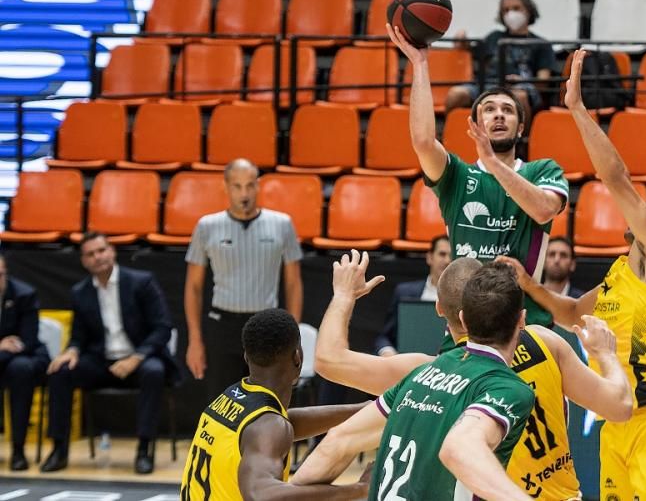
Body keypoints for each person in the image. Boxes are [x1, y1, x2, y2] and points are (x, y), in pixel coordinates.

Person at [505, 49, 646, 500]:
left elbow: (614, 176)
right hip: (616, 424)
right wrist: (528, 284)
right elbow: (572, 313)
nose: (642, 212)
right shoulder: (619, 272)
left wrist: (576, 109)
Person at [295, 251, 632, 500]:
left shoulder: (425, 372)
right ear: (519, 317)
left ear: (445, 311)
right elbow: (618, 407)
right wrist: (605, 355)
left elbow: (329, 362)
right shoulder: (548, 342)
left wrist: (343, 296)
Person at [292, 262, 542, 500]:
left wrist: (344, 295)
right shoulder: (515, 380)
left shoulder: (419, 371)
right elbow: (460, 447)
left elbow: (337, 441)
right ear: (522, 320)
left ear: (461, 317)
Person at [389, 23, 569, 328]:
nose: (499, 114)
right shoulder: (457, 176)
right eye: (489, 109)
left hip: (527, 323)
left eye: (508, 110)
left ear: (521, 128)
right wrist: (420, 63)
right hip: (466, 325)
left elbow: (543, 209)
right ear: (474, 123)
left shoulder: (542, 170)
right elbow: (422, 141)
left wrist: (494, 163)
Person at [180, 308, 371, 500]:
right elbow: (260, 496)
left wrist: (366, 410)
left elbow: (286, 424)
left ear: (247, 356)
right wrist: (360, 489)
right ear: (297, 358)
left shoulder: (235, 396)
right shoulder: (269, 426)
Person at [43, 232, 176, 474]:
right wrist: (71, 351)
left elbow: (162, 328)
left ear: (112, 251)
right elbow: (78, 337)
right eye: (91, 254)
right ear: (84, 261)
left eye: (102, 250)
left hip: (139, 359)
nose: (98, 257)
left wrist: (135, 358)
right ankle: (59, 449)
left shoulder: (141, 282)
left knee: (154, 371)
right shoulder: (80, 292)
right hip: (102, 362)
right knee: (60, 371)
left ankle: (144, 449)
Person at [184, 158, 304, 397]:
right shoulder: (207, 226)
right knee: (223, 402)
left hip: (266, 326)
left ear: (258, 186)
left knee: (268, 403)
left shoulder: (282, 224)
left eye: (250, 185)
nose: (244, 193)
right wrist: (194, 340)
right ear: (226, 187)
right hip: (222, 324)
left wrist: (294, 337)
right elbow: (194, 287)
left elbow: (293, 283)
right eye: (237, 186)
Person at [445, 0, 556, 114]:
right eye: (506, 10)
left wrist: (521, 80)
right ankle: (447, 133)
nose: (511, 13)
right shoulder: (494, 37)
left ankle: (521, 134)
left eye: (516, 8)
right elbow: (469, 51)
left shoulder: (541, 44)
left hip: (521, 88)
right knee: (455, 94)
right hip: (488, 86)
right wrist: (462, 41)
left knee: (518, 97)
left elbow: (543, 83)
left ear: (529, 10)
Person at [0, 256, 50, 471]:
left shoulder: (24, 294)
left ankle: (18, 449)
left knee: (20, 369)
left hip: (26, 358)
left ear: (5, 272)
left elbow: (26, 341)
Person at [373, 235, 451, 356]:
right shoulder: (404, 292)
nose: (447, 260)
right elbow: (384, 338)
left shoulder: (462, 297)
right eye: (442, 254)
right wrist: (388, 352)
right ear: (430, 257)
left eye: (451, 256)